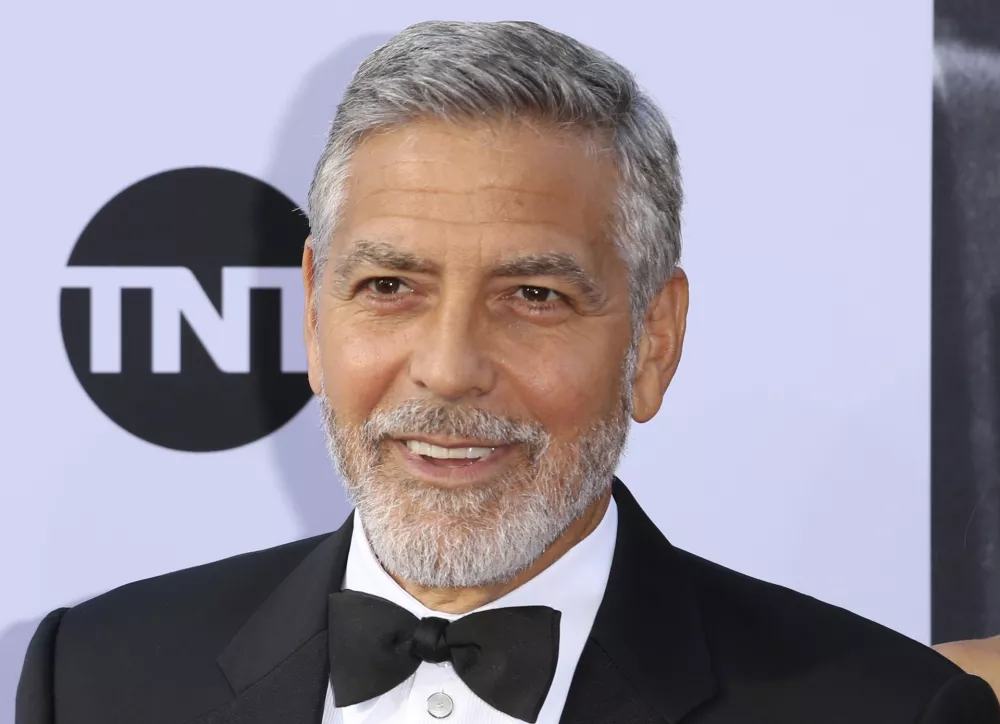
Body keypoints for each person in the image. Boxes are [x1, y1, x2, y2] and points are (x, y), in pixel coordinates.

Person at [16, 20, 1000, 724]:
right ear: (315, 313)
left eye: (533, 296)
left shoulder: (882, 707)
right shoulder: (97, 677)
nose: (447, 369)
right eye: (391, 284)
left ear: (652, 342)